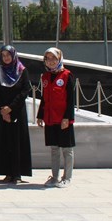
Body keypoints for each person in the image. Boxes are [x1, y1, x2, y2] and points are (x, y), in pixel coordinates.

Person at [0, 44, 33, 183]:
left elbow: (25, 90)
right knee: (5, 141)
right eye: (3, 55)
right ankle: (7, 172)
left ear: (13, 55)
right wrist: (3, 109)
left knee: (17, 141)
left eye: (8, 55)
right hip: (2, 111)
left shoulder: (22, 70)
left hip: (17, 111)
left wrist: (11, 108)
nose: (6, 58)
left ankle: (17, 173)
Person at [37, 47, 75, 188]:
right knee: (54, 148)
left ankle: (67, 177)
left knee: (67, 149)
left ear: (59, 59)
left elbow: (71, 99)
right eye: (48, 58)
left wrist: (67, 118)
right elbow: (44, 98)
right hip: (50, 118)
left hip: (63, 119)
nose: (51, 61)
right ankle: (54, 177)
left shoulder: (67, 75)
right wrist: (40, 115)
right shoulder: (45, 77)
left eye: (54, 58)